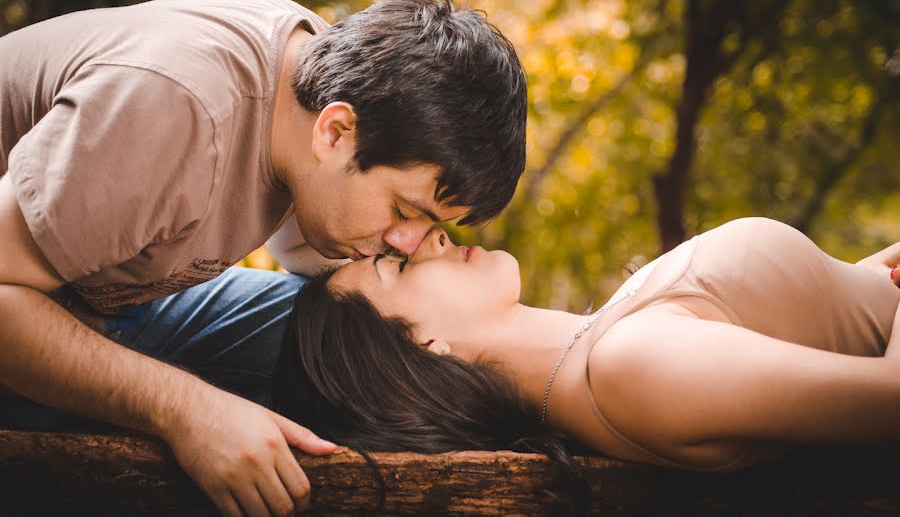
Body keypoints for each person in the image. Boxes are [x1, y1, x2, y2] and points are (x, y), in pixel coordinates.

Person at [0, 0, 527, 516]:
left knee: (353, 340)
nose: (410, 242)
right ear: (336, 132)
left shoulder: (323, 85)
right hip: (20, 302)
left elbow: (309, 253)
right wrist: (190, 411)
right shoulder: (176, 112)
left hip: (105, 299)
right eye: (405, 210)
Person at [271, 217, 900, 499]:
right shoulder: (633, 367)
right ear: (423, 350)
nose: (430, 236)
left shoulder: (604, 343)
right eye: (397, 264)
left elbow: (835, 313)